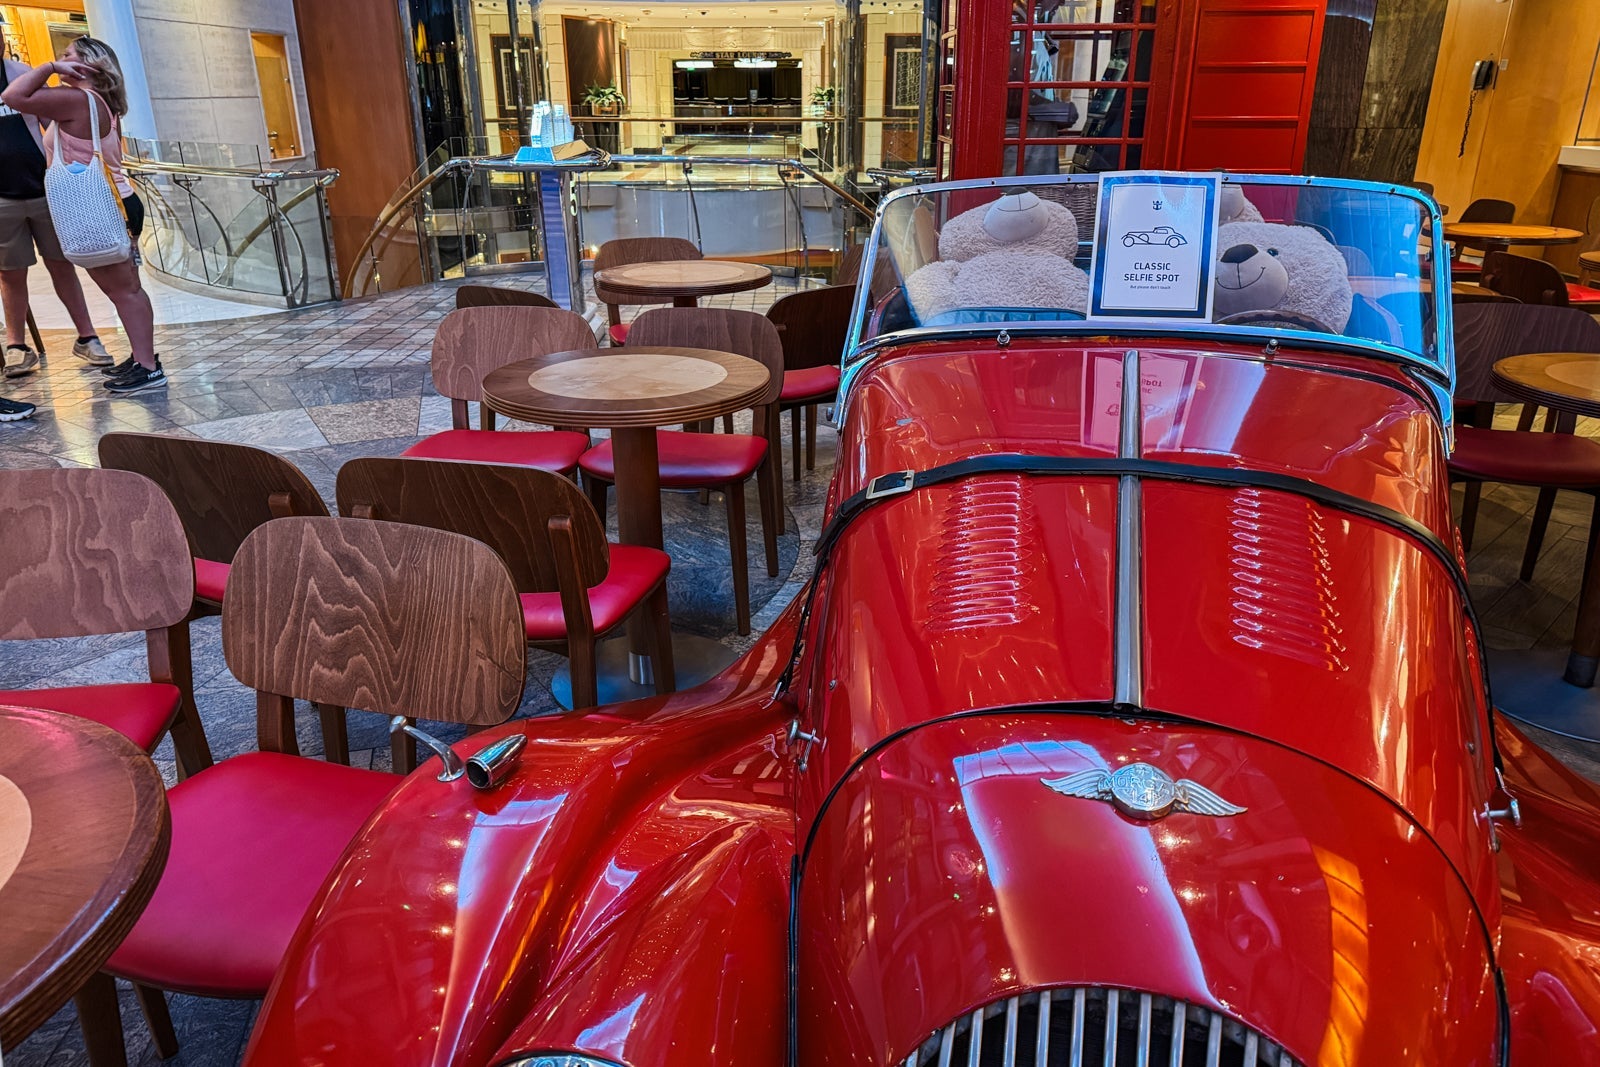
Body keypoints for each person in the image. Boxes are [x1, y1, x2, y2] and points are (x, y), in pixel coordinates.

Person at [1, 36, 163, 395]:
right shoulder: (96, 100)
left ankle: (149, 366)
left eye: (68, 56)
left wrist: (49, 70)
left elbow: (12, 97)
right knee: (122, 288)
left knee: (124, 290)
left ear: (90, 65)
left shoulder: (77, 99)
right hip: (109, 202)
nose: (61, 60)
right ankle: (142, 358)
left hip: (103, 204)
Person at [0, 53, 121, 421]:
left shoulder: (22, 74)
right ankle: (16, 346)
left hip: (46, 189)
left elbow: (56, 118)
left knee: (62, 265)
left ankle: (87, 337)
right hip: (2, 197)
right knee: (10, 271)